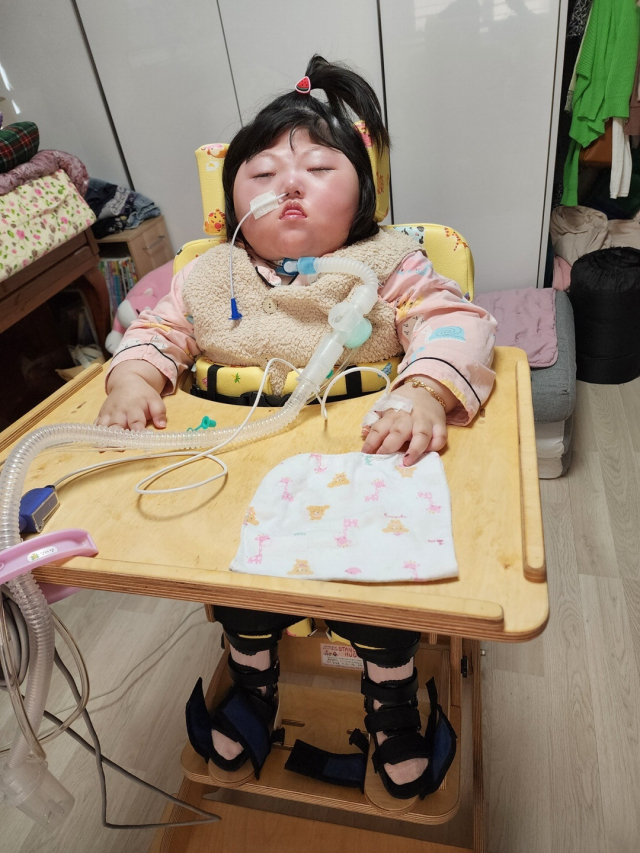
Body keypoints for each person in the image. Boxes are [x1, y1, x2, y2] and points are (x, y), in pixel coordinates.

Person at [96, 56, 496, 802]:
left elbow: (456, 323)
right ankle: (252, 683)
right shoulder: (208, 277)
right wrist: (133, 379)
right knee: (237, 585)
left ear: (362, 197)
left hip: (361, 465)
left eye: (317, 168)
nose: (289, 184)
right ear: (233, 200)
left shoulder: (389, 266)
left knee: (377, 587)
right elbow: (156, 331)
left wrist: (425, 391)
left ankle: (392, 696)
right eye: (262, 172)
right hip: (238, 469)